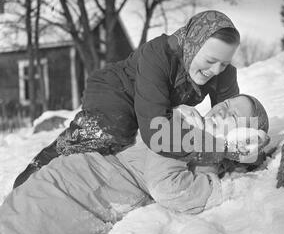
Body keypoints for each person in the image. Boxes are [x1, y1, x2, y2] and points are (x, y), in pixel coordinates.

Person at [0, 94, 270, 234]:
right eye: (228, 103)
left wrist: (227, 158)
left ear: (243, 136)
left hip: (86, 207)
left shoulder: (202, 148)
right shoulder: (182, 123)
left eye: (235, 115)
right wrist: (219, 177)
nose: (224, 108)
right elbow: (168, 187)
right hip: (67, 189)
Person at [13, 10, 258, 189]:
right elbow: (156, 132)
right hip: (117, 92)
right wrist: (217, 149)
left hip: (152, 102)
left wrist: (248, 152)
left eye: (224, 63)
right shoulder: (158, 54)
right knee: (113, 132)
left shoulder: (224, 74)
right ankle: (36, 172)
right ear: (193, 46)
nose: (216, 70)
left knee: (135, 147)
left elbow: (232, 123)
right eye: (210, 60)